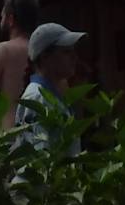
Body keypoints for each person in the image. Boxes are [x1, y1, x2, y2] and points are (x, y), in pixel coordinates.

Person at [14, 21, 87, 154]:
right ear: (45, 56)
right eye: (66, 52)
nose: (74, 57)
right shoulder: (36, 99)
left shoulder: (51, 96)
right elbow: (41, 159)